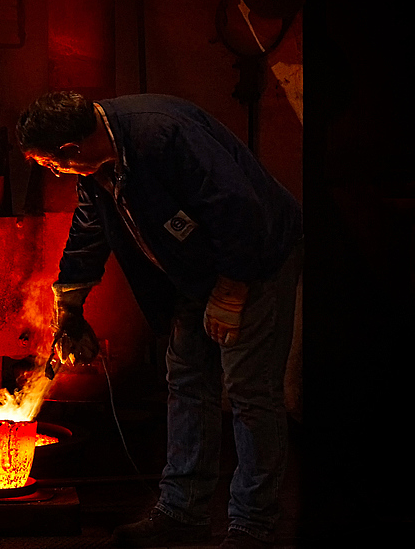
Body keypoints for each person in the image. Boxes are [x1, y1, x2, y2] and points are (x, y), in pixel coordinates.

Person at [16, 92, 303, 549]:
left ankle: (253, 524)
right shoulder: (97, 166)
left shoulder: (162, 136)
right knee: (187, 381)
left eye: (52, 164)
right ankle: (182, 512)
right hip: (192, 271)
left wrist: (232, 290)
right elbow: (91, 224)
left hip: (255, 258)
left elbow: (239, 209)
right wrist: (69, 303)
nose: (54, 172)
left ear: (70, 150)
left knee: (250, 391)